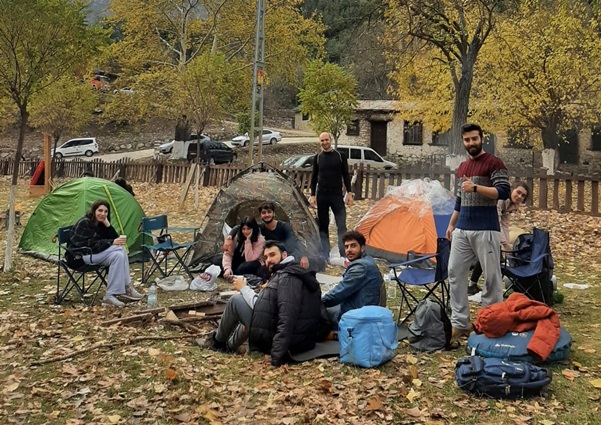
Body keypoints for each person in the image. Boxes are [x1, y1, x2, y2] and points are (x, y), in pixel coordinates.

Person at [200, 241, 322, 366]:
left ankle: (217, 342)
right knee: (248, 311)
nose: (269, 260)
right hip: (295, 336)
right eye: (266, 257)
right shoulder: (290, 271)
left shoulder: (288, 277)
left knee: (236, 301)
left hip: (290, 341)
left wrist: (277, 356)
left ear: (284, 255)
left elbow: (287, 316)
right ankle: (228, 346)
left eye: (272, 255)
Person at [446, 123, 511, 341]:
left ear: (482, 138)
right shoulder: (463, 167)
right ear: (463, 141)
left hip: (486, 228)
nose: (471, 143)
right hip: (462, 228)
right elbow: (459, 200)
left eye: (474, 139)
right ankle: (460, 323)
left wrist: (475, 187)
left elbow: (503, 192)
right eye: (467, 140)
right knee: (454, 272)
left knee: (491, 278)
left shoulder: (494, 163)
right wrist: (451, 224)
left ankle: (490, 324)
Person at [68, 200, 143, 307]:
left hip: (94, 254)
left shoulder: (100, 223)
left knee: (118, 255)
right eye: (100, 210)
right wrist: (111, 242)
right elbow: (88, 244)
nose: (102, 214)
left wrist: (107, 224)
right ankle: (127, 287)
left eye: (106, 212)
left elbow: (113, 238)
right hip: (79, 257)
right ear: (94, 210)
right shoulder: (84, 223)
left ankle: (110, 296)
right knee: (119, 247)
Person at [468, 181, 530, 295]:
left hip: (492, 226)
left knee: (491, 255)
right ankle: (488, 289)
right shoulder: (501, 198)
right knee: (492, 255)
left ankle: (479, 286)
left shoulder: (513, 204)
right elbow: (497, 220)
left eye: (523, 195)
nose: (519, 196)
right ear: (512, 189)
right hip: (479, 222)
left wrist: (505, 246)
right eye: (518, 192)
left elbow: (505, 223)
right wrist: (504, 244)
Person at [223, 202, 310, 269]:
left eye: (269, 212)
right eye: (264, 213)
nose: (267, 215)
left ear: (274, 213)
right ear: (261, 215)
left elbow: (294, 242)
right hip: (268, 259)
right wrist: (229, 237)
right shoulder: (260, 227)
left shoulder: (283, 226)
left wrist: (303, 256)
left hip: (284, 258)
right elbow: (240, 226)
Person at [321, 230, 384, 323]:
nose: (349, 250)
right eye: (346, 247)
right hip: (364, 308)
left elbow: (339, 293)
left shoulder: (360, 267)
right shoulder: (367, 260)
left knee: (318, 314)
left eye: (353, 246)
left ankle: (334, 335)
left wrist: (319, 302)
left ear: (362, 248)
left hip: (358, 317)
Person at [309, 132, 353, 259]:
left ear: (331, 140)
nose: (324, 142)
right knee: (323, 225)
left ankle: (343, 252)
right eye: (322, 140)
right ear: (320, 142)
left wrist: (349, 193)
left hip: (336, 195)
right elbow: (313, 177)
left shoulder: (340, 156)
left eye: (326, 140)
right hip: (322, 195)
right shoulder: (317, 157)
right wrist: (312, 195)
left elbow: (346, 175)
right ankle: (325, 253)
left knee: (341, 224)